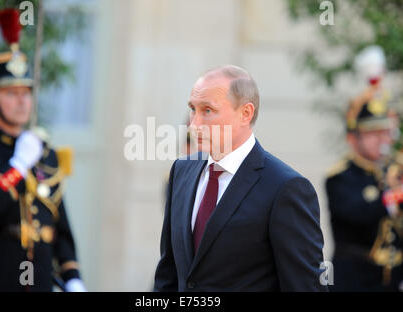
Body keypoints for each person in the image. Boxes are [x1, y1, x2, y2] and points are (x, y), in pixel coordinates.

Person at [154, 65, 326, 291]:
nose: (194, 124)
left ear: (245, 113)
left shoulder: (286, 188)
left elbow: (304, 286)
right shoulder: (181, 171)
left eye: (207, 110)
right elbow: (168, 275)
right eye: (192, 109)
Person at [0, 8, 85, 292]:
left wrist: (73, 277)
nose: (22, 102)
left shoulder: (44, 151)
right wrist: (18, 167)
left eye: (26, 93)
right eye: (11, 93)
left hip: (37, 281)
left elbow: (59, 226)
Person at [325, 46, 402, 292]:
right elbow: (358, 213)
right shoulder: (340, 177)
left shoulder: (393, 171)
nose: (382, 140)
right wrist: (394, 196)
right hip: (354, 282)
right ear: (353, 137)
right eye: (373, 133)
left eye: (385, 132)